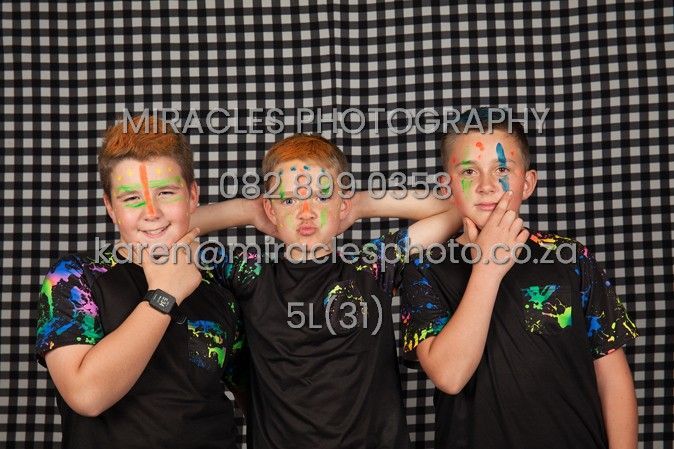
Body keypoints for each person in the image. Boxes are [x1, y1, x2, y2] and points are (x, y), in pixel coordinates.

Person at [400, 108, 639, 449]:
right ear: (447, 186)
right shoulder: (424, 269)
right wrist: (487, 268)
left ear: (527, 183)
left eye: (502, 169)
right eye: (468, 171)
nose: (486, 186)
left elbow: (612, 378)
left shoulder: (570, 258)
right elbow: (450, 376)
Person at [209, 133, 462, 448]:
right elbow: (170, 235)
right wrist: (249, 211)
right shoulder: (250, 275)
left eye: (321, 196)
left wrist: (358, 205)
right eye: (289, 200)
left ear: (342, 203)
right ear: (270, 210)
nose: (306, 212)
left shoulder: (372, 266)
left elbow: (456, 211)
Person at [35, 115, 270, 449]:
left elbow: (260, 403)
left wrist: (248, 211)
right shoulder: (75, 278)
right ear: (110, 207)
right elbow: (86, 396)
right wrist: (164, 294)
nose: (151, 212)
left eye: (167, 193)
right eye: (131, 198)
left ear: (193, 195)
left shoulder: (218, 285)